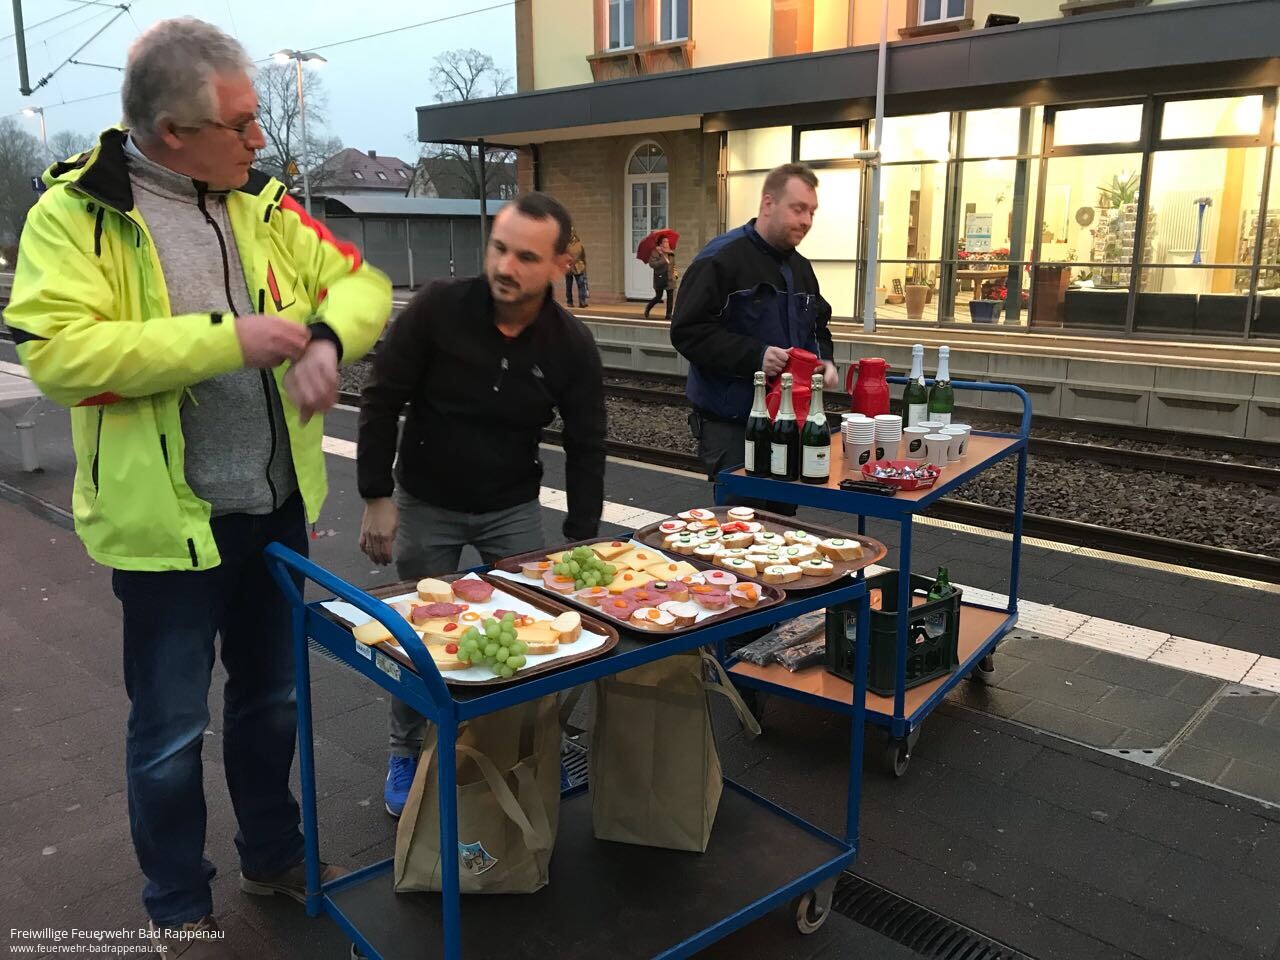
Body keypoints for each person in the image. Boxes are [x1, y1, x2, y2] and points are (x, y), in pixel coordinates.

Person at [2, 18, 390, 957]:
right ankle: (177, 904)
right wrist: (227, 339)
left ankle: (272, 856)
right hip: (165, 530)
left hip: (275, 511)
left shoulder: (265, 205)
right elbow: (59, 355)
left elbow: (362, 284)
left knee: (272, 703)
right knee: (172, 729)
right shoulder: (76, 215)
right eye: (242, 123)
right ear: (174, 131)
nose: (261, 140)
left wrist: (328, 338)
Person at [356, 192, 607, 817]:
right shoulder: (438, 308)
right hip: (427, 500)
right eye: (499, 248)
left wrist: (581, 533)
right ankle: (406, 749)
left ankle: (524, 746)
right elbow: (381, 397)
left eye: (526, 257)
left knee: (536, 630)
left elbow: (587, 441)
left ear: (560, 264)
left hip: (511, 506)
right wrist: (376, 495)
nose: (505, 267)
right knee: (417, 636)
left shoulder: (570, 343)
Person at [670, 163, 837, 512]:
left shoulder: (801, 269)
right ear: (768, 204)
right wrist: (755, 356)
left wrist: (824, 359)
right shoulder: (720, 260)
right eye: (798, 209)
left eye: (812, 211)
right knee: (741, 523)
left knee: (784, 524)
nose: (807, 220)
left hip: (788, 423)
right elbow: (688, 332)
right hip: (733, 425)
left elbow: (818, 324)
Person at [644, 235, 677, 320]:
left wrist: (675, 275)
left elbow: (673, 265)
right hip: (660, 277)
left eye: (667, 242)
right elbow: (652, 264)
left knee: (670, 297)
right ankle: (648, 308)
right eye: (665, 242)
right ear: (660, 243)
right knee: (658, 296)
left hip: (670, 278)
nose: (667, 243)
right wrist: (663, 260)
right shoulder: (655, 252)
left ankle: (668, 315)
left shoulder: (671, 253)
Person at [565, 229, 589, 307]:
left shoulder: (579, 244)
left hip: (578, 267)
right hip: (569, 267)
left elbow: (583, 256)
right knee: (569, 286)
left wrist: (584, 265)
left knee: (581, 285)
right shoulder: (565, 245)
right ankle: (569, 302)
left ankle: (582, 302)